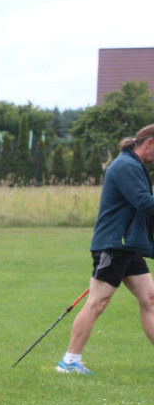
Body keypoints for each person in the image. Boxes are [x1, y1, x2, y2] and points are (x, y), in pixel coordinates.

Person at [58, 124, 154, 374]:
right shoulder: (126, 166)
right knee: (97, 302)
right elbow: (144, 202)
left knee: (149, 299)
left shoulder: (135, 166)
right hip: (114, 245)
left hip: (129, 246)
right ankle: (70, 361)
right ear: (149, 143)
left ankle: (70, 361)